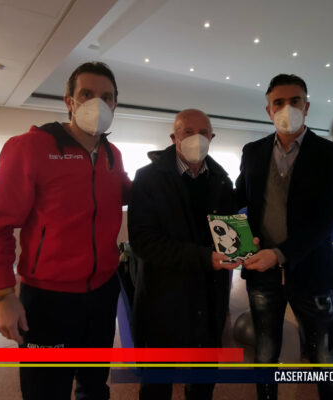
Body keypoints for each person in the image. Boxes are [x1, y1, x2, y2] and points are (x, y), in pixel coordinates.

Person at [0, 61, 131, 400]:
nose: (97, 103)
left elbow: (128, 193)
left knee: (94, 385)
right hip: (48, 299)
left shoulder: (112, 154)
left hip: (103, 293)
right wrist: (3, 294)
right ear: (69, 101)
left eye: (106, 97)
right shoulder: (32, 147)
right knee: (45, 390)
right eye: (86, 94)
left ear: (115, 105)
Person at [236, 74, 333, 400]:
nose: (287, 108)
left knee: (323, 355)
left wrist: (280, 253)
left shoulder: (331, 154)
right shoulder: (253, 151)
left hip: (311, 270)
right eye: (279, 102)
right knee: (265, 350)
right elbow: (237, 197)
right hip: (262, 271)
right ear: (268, 110)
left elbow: (326, 219)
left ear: (306, 106)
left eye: (294, 101)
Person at [128, 109, 240, 400]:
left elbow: (227, 233)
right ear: (174, 137)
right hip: (163, 295)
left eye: (203, 133)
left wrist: (242, 246)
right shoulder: (148, 178)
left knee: (203, 379)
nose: (196, 138)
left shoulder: (222, 180)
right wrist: (205, 257)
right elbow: (143, 241)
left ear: (212, 137)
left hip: (210, 294)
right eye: (188, 132)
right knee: (157, 381)